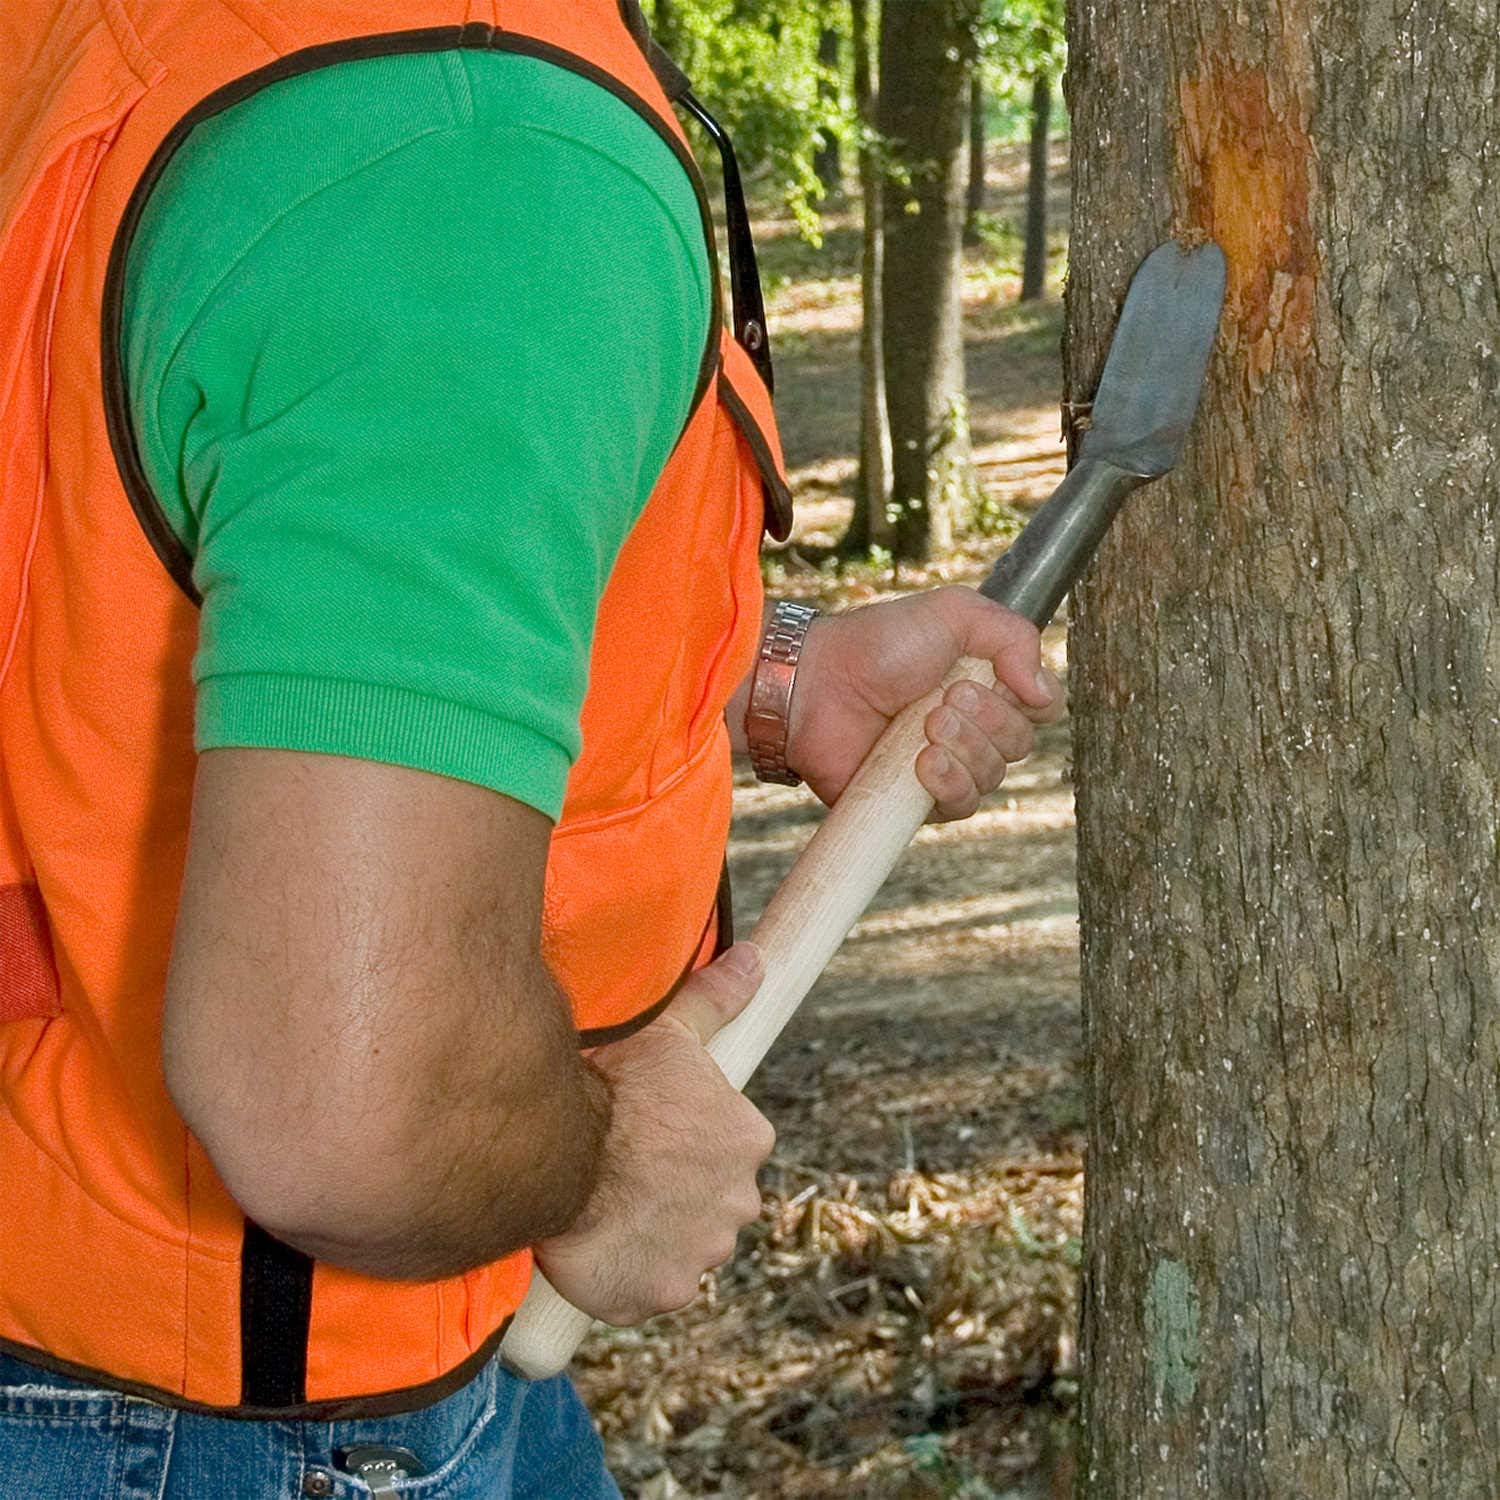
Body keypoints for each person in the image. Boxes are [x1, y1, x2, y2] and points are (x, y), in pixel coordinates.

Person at [0, 2, 1060, 1495]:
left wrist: (762, 676)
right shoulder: (472, 153)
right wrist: (613, 1156)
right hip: (222, 1418)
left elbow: (126, 558)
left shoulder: (183, 43)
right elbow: (346, 1106)